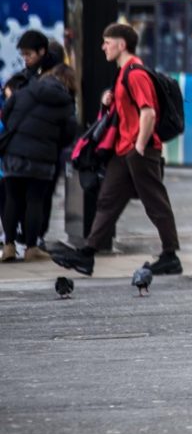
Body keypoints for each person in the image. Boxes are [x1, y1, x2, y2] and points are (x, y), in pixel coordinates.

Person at [52, 23, 182, 277]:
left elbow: (149, 112)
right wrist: (107, 104)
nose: (103, 47)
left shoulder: (135, 74)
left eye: (107, 42)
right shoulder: (124, 74)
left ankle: (170, 255)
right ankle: (87, 255)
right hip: (124, 151)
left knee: (155, 202)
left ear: (122, 45)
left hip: (138, 150)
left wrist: (140, 146)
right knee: (107, 201)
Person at [0, 64, 78, 261]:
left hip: (14, 154)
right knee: (35, 200)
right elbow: (69, 132)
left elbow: (6, 113)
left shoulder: (25, 91)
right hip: (43, 157)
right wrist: (53, 143)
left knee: (12, 198)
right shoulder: (66, 101)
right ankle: (31, 247)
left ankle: (8, 245)